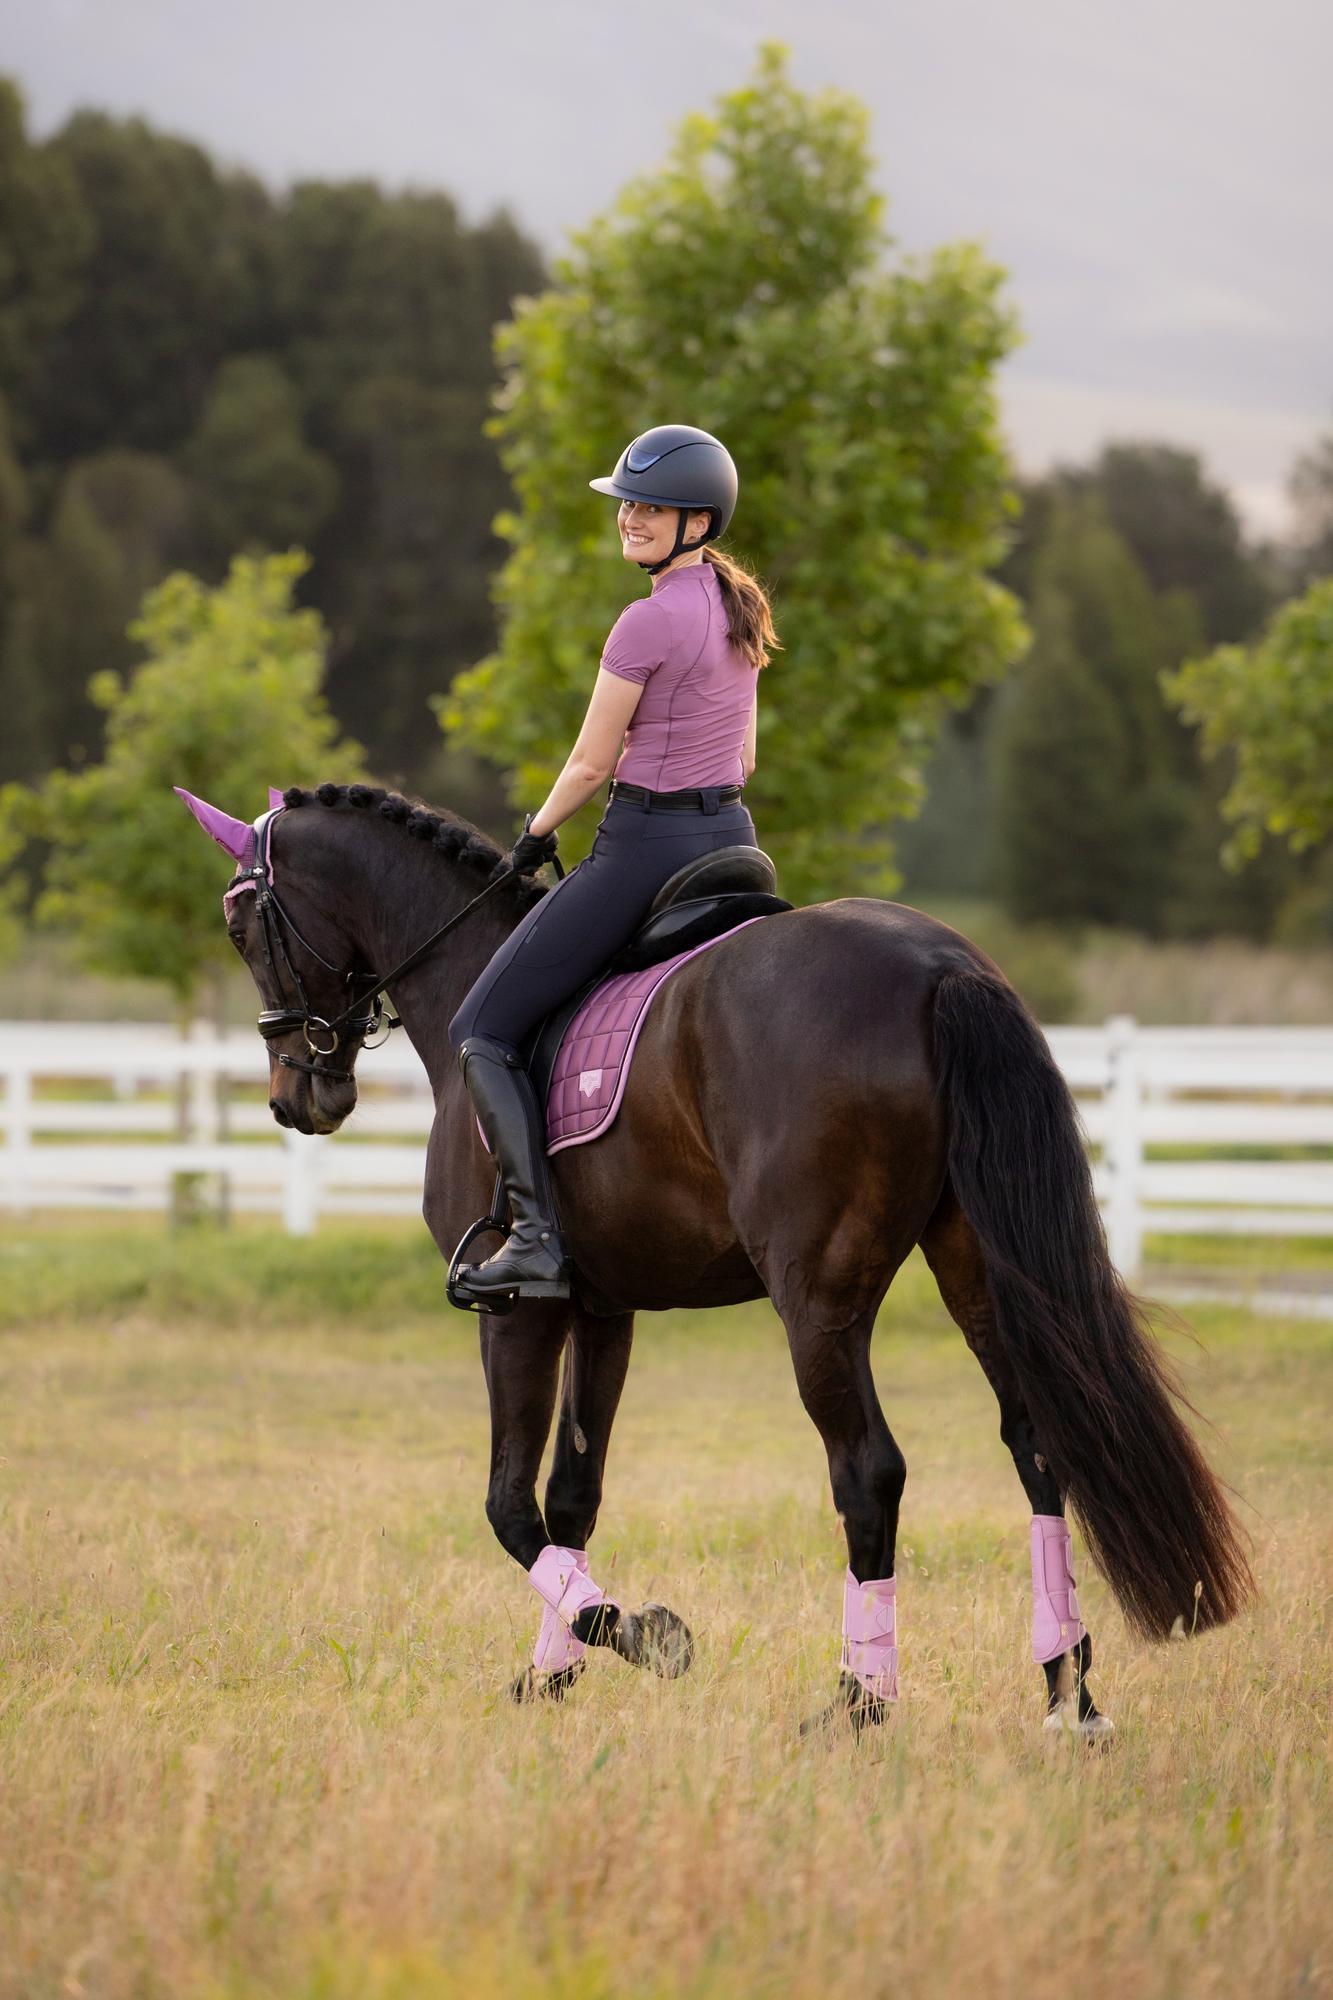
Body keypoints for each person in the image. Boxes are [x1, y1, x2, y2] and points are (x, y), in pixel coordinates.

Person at [448, 422, 781, 1302]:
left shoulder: (644, 621)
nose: (630, 518)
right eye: (626, 503)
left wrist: (534, 834)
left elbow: (592, 763)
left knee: (480, 1029)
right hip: (735, 846)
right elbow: (742, 757)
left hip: (643, 848)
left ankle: (534, 1240)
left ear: (696, 521)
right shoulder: (738, 608)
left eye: (651, 507)